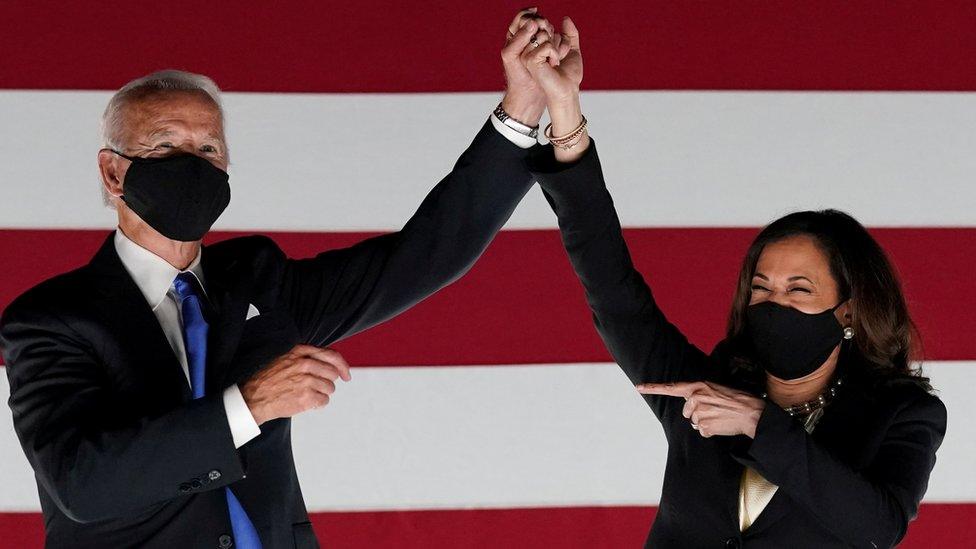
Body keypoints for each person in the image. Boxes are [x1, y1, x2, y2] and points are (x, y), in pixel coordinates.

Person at [0, 9, 562, 548]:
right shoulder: (50, 320)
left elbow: (425, 256)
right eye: (166, 145)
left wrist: (524, 106)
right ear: (113, 170)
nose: (192, 163)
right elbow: (83, 484)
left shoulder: (258, 284)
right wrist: (248, 405)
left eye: (208, 148)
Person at [518, 17, 947, 548]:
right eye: (761, 287)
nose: (772, 302)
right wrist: (565, 113)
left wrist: (760, 423)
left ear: (851, 312)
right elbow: (613, 290)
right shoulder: (699, 390)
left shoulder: (903, 415)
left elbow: (878, 526)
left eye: (798, 289)